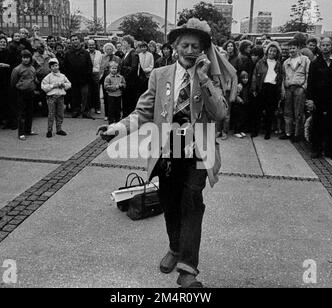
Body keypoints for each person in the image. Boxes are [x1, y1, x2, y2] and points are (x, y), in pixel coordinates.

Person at [97, 18, 232, 288]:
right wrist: (117, 128)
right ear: (174, 46)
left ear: (203, 49)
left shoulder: (210, 75)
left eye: (196, 45)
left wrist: (204, 80)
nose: (190, 50)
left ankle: (188, 269)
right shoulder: (159, 75)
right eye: (185, 44)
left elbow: (221, 113)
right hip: (167, 147)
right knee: (170, 202)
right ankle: (174, 248)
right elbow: (143, 111)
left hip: (198, 147)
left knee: (192, 200)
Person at [307, 37, 332, 161]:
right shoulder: (315, 63)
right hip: (319, 99)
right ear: (320, 46)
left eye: (328, 45)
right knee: (317, 124)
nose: (325, 47)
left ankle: (330, 150)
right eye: (323, 45)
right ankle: (316, 148)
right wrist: (310, 100)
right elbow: (311, 82)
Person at [251, 41, 285, 140]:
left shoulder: (278, 64)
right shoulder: (261, 62)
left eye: (274, 51)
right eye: (270, 51)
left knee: (270, 112)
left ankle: (267, 132)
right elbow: (254, 76)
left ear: (277, 53)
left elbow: (280, 77)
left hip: (273, 89)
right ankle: (255, 131)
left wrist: (280, 90)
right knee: (258, 111)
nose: (272, 53)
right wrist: (254, 88)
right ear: (267, 51)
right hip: (262, 87)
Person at [281, 39, 310, 142]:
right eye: (290, 48)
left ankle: (297, 134)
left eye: (293, 48)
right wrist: (284, 89)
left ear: (298, 48)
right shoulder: (286, 62)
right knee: (287, 112)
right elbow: (283, 77)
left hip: (299, 88)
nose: (291, 50)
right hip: (289, 88)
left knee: (298, 112)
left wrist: (304, 87)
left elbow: (308, 74)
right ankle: (288, 132)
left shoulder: (305, 60)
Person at [10, 50, 38, 141]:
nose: (25, 60)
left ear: (30, 58)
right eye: (23, 58)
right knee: (22, 113)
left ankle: (28, 130)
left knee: (30, 112)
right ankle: (21, 133)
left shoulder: (32, 68)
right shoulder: (17, 69)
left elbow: (34, 78)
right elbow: (13, 81)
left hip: (30, 92)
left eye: (27, 58)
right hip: (21, 93)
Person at [64, 34, 93, 119]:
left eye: (76, 39)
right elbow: (65, 67)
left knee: (86, 96)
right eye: (72, 40)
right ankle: (76, 111)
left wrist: (87, 77)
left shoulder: (86, 53)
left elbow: (89, 66)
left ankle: (86, 112)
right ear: (70, 42)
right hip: (73, 79)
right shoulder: (68, 53)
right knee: (75, 96)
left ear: (79, 41)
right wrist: (68, 78)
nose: (74, 41)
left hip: (84, 79)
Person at [41, 58, 71, 138]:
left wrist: (63, 85)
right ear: (50, 68)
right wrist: (53, 86)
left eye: (56, 65)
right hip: (51, 97)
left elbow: (69, 84)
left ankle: (59, 129)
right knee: (51, 114)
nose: (55, 67)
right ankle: (49, 130)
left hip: (60, 97)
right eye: (53, 66)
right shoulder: (48, 77)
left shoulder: (62, 76)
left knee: (60, 113)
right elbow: (44, 87)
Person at [0, 34, 15, 129]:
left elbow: (14, 65)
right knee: (2, 102)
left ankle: (13, 122)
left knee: (10, 101)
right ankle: (4, 121)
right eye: (1, 42)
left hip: (8, 79)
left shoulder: (10, 52)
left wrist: (6, 66)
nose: (3, 43)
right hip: (0, 80)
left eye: (4, 42)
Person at [120, 35, 140, 117]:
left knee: (129, 101)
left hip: (130, 82)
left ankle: (129, 118)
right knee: (125, 100)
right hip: (126, 81)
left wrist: (123, 69)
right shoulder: (127, 53)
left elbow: (133, 68)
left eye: (124, 42)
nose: (122, 44)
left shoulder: (133, 54)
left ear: (129, 44)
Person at [100, 43, 121, 121]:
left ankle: (115, 115)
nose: (109, 50)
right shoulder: (103, 57)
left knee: (115, 97)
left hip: (115, 79)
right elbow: (101, 68)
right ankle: (107, 114)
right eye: (107, 49)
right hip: (105, 79)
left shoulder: (117, 58)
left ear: (113, 50)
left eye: (110, 49)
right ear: (105, 50)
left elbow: (119, 68)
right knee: (106, 97)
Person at [87, 39, 103, 114]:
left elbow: (101, 64)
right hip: (88, 73)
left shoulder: (99, 53)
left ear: (95, 45)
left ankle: (97, 107)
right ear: (87, 45)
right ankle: (89, 107)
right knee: (88, 91)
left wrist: (100, 74)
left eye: (93, 45)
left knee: (96, 91)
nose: (91, 46)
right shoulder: (85, 52)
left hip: (96, 73)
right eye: (90, 45)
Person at [234, 71, 250, 138]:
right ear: (241, 79)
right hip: (239, 105)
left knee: (244, 118)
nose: (245, 79)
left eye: (246, 78)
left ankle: (241, 130)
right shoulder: (239, 86)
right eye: (243, 78)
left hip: (245, 104)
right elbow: (236, 95)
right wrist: (239, 99)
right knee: (239, 118)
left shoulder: (247, 86)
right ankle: (236, 131)